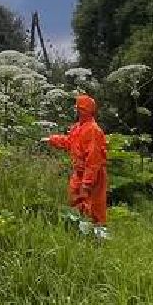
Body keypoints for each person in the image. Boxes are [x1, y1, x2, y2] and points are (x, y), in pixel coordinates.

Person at [44, 93, 108, 239]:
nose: (77, 110)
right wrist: (52, 140)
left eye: (80, 108)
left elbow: (93, 160)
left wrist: (87, 183)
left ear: (86, 110)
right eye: (77, 108)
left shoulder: (93, 130)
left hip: (93, 175)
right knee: (76, 202)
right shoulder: (78, 127)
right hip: (79, 172)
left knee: (94, 206)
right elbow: (70, 142)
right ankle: (81, 234)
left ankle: (100, 238)